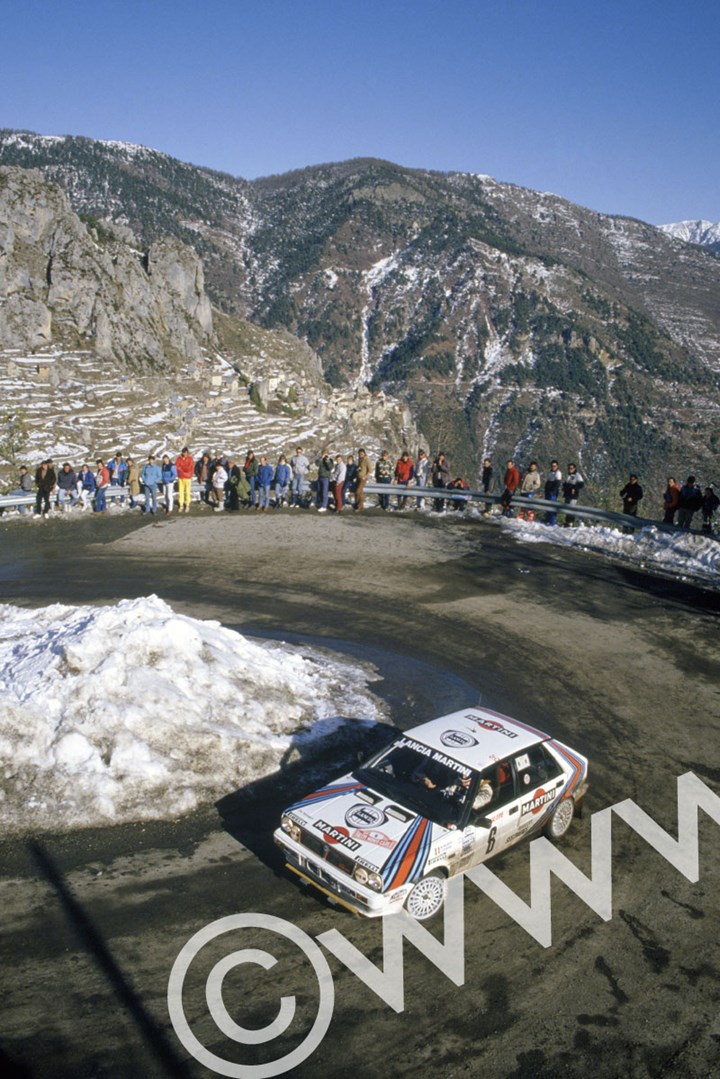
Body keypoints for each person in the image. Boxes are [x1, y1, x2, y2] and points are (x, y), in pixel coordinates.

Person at [175, 447, 195, 513]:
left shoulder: (190, 459)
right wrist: (183, 469)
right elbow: (177, 467)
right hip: (180, 477)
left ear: (187, 452)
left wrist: (182, 468)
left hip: (187, 477)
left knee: (187, 492)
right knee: (180, 492)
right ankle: (181, 505)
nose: (185, 454)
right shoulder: (179, 458)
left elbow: (189, 468)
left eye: (186, 452)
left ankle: (187, 505)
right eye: (184, 452)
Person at [543, 460, 563, 525]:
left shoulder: (558, 473)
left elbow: (557, 484)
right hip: (548, 492)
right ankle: (547, 520)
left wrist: (552, 491)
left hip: (553, 493)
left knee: (552, 507)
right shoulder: (550, 472)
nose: (553, 467)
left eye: (554, 466)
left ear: (557, 466)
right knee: (547, 507)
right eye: (552, 466)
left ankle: (552, 522)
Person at [355, 448, 372, 513]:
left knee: (358, 491)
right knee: (360, 492)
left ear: (364, 453)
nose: (360, 455)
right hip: (358, 478)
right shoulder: (360, 460)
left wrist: (365, 476)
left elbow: (370, 469)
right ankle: (359, 507)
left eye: (361, 454)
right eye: (359, 454)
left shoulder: (367, 460)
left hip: (363, 478)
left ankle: (360, 507)